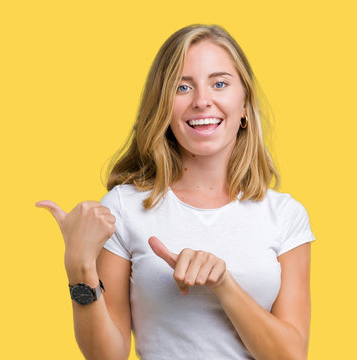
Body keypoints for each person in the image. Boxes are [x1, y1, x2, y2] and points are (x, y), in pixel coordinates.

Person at [36, 24, 315, 360]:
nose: (201, 101)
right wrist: (80, 268)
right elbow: (106, 356)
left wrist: (222, 284)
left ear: (244, 104)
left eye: (220, 83)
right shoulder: (125, 208)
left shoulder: (285, 216)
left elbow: (292, 355)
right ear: (163, 107)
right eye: (183, 87)